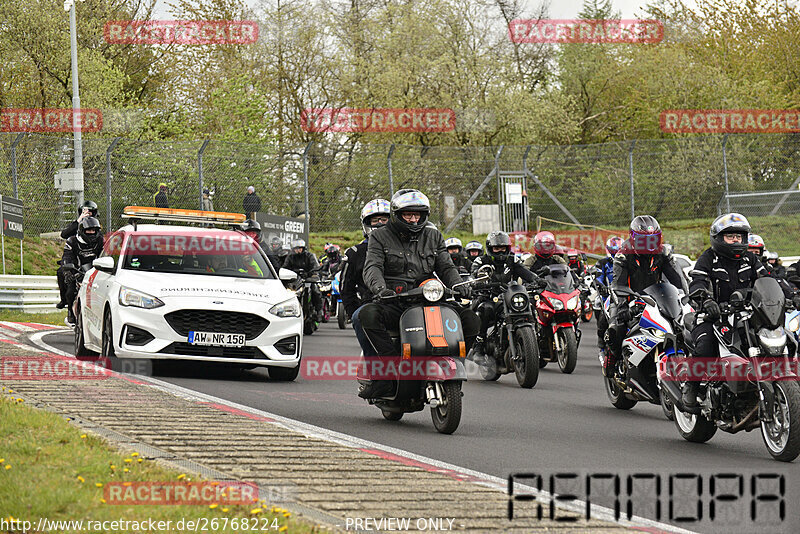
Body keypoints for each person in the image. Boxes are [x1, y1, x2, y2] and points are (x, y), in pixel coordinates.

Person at [358, 189, 478, 398]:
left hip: (427, 297)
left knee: (471, 319)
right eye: (408, 215)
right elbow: (372, 267)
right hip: (395, 300)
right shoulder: (380, 236)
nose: (414, 220)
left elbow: (446, 268)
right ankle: (387, 374)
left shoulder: (433, 235)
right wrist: (380, 289)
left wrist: (459, 285)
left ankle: (454, 366)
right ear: (397, 215)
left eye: (418, 215)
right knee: (366, 315)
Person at [683, 213, 800, 411]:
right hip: (714, 316)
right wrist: (706, 300)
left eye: (739, 236)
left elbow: (771, 280)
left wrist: (792, 295)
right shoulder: (708, 258)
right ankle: (691, 386)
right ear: (719, 239)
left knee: (785, 338)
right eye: (731, 237)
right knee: (706, 345)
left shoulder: (750, 258)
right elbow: (697, 283)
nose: (736, 240)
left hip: (747, 313)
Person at [604, 215, 686, 376]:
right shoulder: (623, 255)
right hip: (628, 297)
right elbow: (618, 284)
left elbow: (678, 280)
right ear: (633, 239)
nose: (649, 244)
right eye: (643, 240)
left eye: (653, 239)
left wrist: (687, 299)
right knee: (617, 327)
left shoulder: (664, 253)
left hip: (657, 297)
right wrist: (623, 305)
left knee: (681, 326)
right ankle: (611, 359)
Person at [468, 231, 544, 361]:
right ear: (490, 248)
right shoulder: (481, 260)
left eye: (503, 248)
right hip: (489, 295)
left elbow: (524, 271)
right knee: (486, 308)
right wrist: (480, 282)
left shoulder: (512, 259)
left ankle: (534, 339)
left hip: (509, 295)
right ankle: (479, 345)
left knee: (530, 304)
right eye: (497, 248)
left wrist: (537, 279)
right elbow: (474, 274)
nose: (500, 252)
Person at [341, 199, 391, 357]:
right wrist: (354, 311)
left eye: (384, 219)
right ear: (366, 223)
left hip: (403, 301)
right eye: (375, 220)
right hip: (372, 304)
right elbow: (345, 288)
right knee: (359, 317)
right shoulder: (355, 253)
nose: (380, 223)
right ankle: (375, 369)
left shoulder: (405, 247)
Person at [57, 201, 101, 308]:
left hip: (92, 263)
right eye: (85, 211)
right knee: (61, 272)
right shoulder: (74, 235)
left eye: (90, 212)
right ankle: (65, 300)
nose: (91, 232)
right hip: (76, 260)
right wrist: (79, 220)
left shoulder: (98, 232)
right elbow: (64, 234)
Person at [62, 217, 104, 325]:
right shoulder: (72, 241)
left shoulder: (100, 241)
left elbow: (105, 255)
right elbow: (66, 257)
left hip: (96, 271)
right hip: (77, 270)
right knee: (70, 291)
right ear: (82, 231)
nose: (91, 233)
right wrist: (68, 272)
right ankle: (71, 312)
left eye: (93, 230)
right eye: (88, 230)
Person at [594, 236, 623, 351]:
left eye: (618, 250)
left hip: (624, 293)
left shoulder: (627, 260)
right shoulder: (603, 263)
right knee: (598, 305)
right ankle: (601, 341)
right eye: (613, 251)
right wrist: (602, 287)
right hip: (608, 294)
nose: (616, 253)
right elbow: (598, 277)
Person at [283, 239, 323, 321]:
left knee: (315, 291)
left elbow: (315, 266)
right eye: (296, 248)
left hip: (308, 279)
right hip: (295, 280)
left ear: (303, 248)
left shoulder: (309, 256)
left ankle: (319, 311)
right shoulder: (290, 257)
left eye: (299, 248)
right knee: (287, 292)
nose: (297, 250)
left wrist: (311, 274)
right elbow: (285, 267)